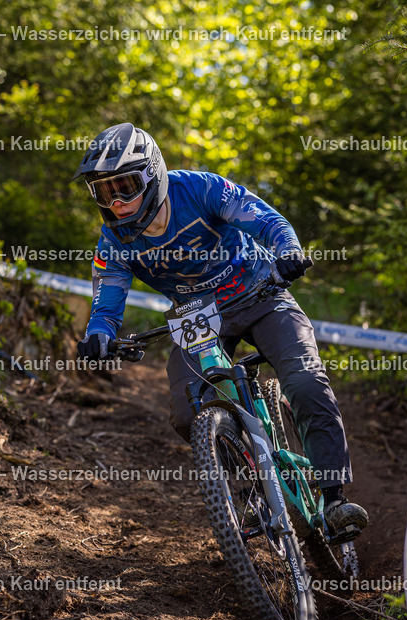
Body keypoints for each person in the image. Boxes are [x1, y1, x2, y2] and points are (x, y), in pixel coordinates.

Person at [73, 122, 368, 543]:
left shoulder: (201, 189)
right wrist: (99, 334)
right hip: (197, 317)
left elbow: (266, 220)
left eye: (126, 186)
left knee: (304, 380)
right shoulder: (114, 241)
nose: (117, 202)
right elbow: (107, 300)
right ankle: (254, 486)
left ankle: (334, 499)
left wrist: (287, 250)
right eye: (104, 192)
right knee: (187, 412)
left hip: (261, 293)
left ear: (153, 173)